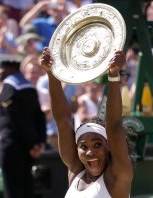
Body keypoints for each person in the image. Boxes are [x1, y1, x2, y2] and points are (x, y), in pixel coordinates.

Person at [40, 47, 135, 197]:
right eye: (83, 147)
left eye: (97, 144)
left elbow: (115, 125)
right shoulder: (76, 173)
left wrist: (113, 75)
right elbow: (63, 121)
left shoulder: (117, 176)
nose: (90, 152)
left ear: (109, 145)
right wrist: (51, 73)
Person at [0, 54, 47, 198]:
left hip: (13, 147)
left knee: (13, 190)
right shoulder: (30, 87)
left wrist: (32, 144)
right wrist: (39, 142)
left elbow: (15, 119)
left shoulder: (9, 87)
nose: (0, 73)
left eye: (2, 69)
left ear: (9, 69)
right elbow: (39, 116)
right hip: (29, 149)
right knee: (26, 188)